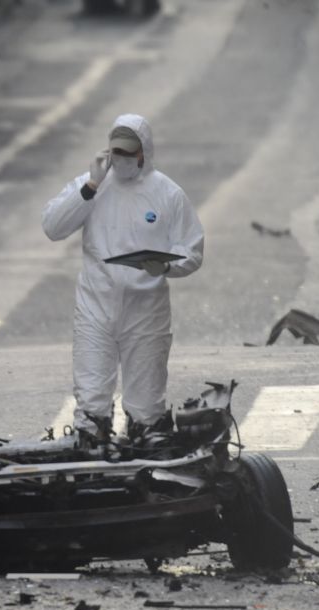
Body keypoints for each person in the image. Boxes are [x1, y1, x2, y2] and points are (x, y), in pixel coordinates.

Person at [41, 113, 204, 446]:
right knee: (90, 410)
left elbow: (192, 250)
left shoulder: (167, 194)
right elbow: (53, 227)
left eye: (129, 154)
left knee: (147, 413)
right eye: (117, 152)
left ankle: (145, 476)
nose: (122, 160)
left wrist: (167, 267)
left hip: (145, 313)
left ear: (143, 153)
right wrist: (89, 186)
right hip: (95, 309)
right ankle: (92, 472)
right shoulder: (92, 186)